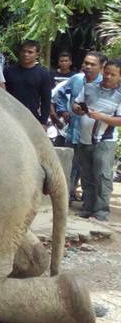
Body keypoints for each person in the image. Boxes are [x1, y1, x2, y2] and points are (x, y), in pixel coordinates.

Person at [73, 58, 121, 222]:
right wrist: (77, 109)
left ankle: (100, 212)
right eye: (106, 73)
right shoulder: (89, 87)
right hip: (84, 138)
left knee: (102, 176)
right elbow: (76, 103)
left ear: (119, 76)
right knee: (86, 175)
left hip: (105, 140)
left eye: (112, 74)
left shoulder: (119, 95)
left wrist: (101, 117)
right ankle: (87, 208)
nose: (108, 77)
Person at [54, 51, 104, 199]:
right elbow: (61, 94)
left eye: (92, 64)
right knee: (70, 165)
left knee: (89, 168)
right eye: (86, 63)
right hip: (74, 130)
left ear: (101, 67)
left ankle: (89, 200)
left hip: (95, 134)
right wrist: (63, 112)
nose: (88, 67)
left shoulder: (104, 84)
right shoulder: (75, 79)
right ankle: (67, 196)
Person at [4, 39, 54, 125]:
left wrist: (43, 122)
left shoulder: (43, 74)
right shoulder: (8, 71)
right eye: (24, 51)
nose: (26, 54)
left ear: (37, 54)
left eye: (30, 52)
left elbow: (46, 100)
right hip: (9, 115)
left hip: (31, 117)